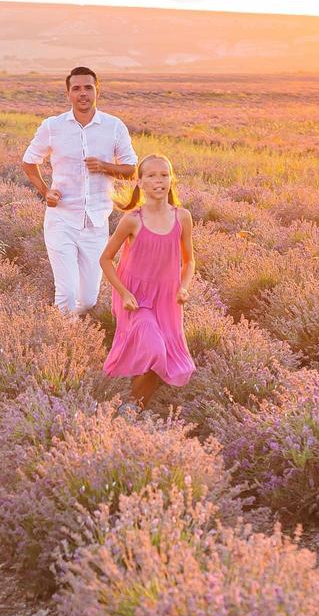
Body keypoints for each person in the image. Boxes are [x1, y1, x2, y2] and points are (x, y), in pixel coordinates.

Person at [21, 67, 138, 315]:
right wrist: (45, 191)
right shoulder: (52, 126)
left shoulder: (114, 126)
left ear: (97, 89)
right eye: (76, 88)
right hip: (61, 220)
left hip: (96, 223)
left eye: (88, 87)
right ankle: (64, 346)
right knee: (67, 295)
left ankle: (73, 335)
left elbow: (131, 169)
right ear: (68, 93)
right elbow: (29, 162)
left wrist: (105, 167)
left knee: (87, 300)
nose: (82, 93)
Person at [99, 154, 196, 411]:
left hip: (167, 300)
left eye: (164, 175)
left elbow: (189, 262)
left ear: (171, 180)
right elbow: (106, 260)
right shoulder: (133, 220)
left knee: (163, 358)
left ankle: (134, 408)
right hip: (135, 298)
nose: (159, 180)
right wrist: (124, 293)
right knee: (154, 348)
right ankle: (129, 407)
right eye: (151, 175)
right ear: (140, 182)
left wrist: (184, 287)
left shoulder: (182, 217)